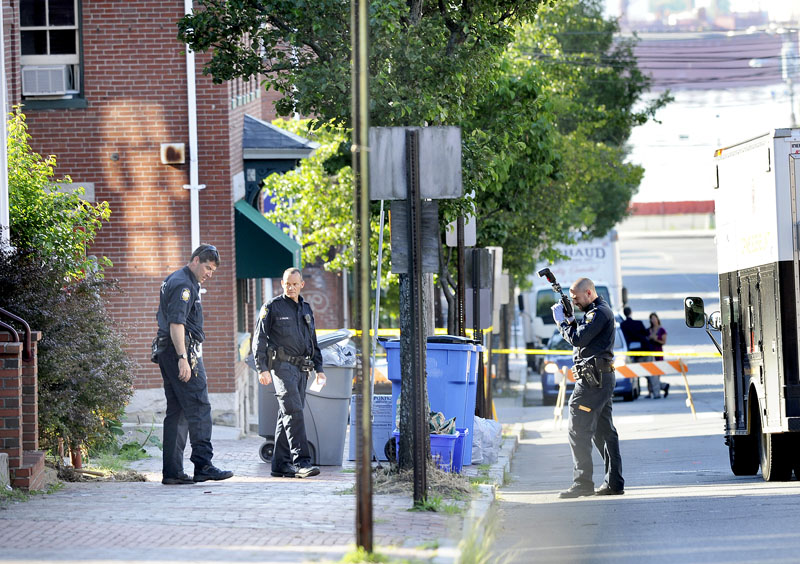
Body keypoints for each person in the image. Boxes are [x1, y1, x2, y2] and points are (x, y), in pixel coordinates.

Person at [155, 244, 233, 485]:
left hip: (168, 350)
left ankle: (173, 472)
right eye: (207, 267)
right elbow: (176, 324)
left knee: (177, 412)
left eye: (213, 270)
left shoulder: (177, 279)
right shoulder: (184, 284)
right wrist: (183, 359)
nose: (209, 273)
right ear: (196, 260)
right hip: (179, 350)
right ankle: (204, 465)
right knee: (199, 406)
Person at [551, 277, 624, 498]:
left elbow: (578, 339)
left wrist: (562, 323)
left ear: (589, 293)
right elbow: (585, 337)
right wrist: (573, 320)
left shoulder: (599, 313)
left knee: (579, 430)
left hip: (592, 382)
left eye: (576, 298)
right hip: (599, 378)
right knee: (604, 432)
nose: (574, 302)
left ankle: (582, 482)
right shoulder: (595, 312)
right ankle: (614, 482)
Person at [253, 267, 325, 479]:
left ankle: (280, 464)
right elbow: (260, 339)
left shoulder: (306, 308)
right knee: (293, 411)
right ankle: (301, 462)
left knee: (288, 414)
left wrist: (319, 369)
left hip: (302, 369)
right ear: (282, 284)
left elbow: (313, 341)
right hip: (281, 367)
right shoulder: (272, 308)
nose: (291, 287)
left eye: (295, 284)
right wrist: (262, 368)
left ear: (302, 284)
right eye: (287, 284)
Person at [646, 312, 670, 399]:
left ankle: (659, 389)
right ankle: (650, 392)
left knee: (657, 373)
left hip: (658, 352)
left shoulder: (661, 330)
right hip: (650, 352)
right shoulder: (649, 330)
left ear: (657, 319)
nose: (653, 320)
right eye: (651, 319)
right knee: (649, 372)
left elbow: (664, 342)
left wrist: (656, 339)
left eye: (654, 318)